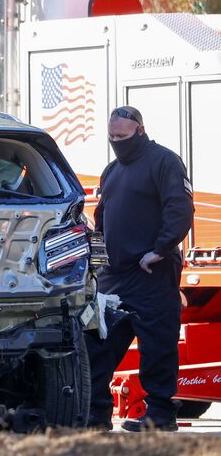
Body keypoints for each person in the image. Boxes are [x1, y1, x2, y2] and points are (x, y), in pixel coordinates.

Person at [85, 106, 194, 432]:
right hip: (115, 275)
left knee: (157, 345)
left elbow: (180, 208)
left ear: (140, 131)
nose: (117, 141)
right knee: (97, 345)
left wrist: (159, 250)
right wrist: (99, 262)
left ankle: (160, 415)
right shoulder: (112, 170)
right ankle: (96, 415)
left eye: (123, 136)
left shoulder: (164, 161)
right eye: (112, 137)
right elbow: (102, 220)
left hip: (152, 271)